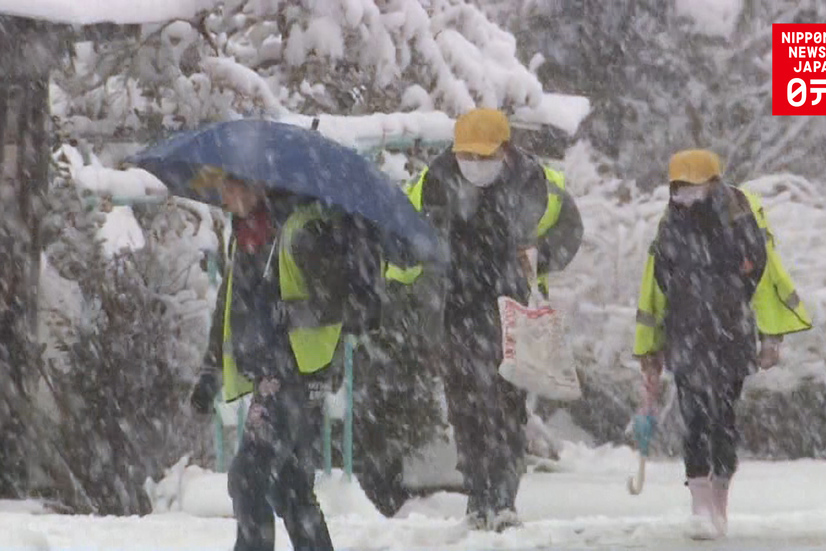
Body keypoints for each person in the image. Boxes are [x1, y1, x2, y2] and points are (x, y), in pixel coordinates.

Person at [384, 108, 583, 530]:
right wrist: (406, 262)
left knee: (506, 409)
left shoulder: (538, 187)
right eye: (466, 156)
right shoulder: (432, 185)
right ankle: (478, 495)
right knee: (465, 408)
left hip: (510, 313)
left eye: (483, 156)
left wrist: (539, 256)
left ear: (505, 152)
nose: (474, 164)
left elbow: (569, 231)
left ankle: (503, 496)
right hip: (453, 313)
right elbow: (398, 244)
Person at [189, 176, 381, 551]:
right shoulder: (247, 236)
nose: (223, 198)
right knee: (291, 484)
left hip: (298, 375)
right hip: (270, 372)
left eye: (229, 188)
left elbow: (341, 304)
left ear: (255, 187)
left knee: (248, 476)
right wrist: (212, 371)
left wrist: (289, 312)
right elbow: (230, 307)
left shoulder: (302, 232)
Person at [631, 149, 813, 540]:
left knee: (722, 420)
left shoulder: (741, 222)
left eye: (690, 186)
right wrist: (649, 348)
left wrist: (771, 337)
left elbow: (764, 283)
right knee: (693, 420)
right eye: (678, 187)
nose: (684, 194)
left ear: (713, 183)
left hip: (731, 338)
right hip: (685, 338)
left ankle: (720, 503)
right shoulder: (671, 226)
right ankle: (700, 508)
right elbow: (655, 288)